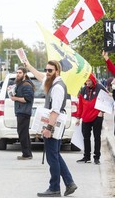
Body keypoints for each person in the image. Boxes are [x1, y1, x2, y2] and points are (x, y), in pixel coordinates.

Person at [24, 60, 77, 197]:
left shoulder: (58, 87)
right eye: (46, 69)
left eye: (50, 70)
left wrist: (48, 128)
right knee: (55, 155)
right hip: (54, 124)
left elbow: (55, 111)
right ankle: (70, 183)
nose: (47, 73)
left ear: (57, 71)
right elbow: (40, 76)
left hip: (54, 125)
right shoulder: (51, 82)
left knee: (52, 157)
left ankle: (54, 188)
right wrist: (29, 66)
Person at [75, 73, 107, 165]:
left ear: (93, 80)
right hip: (85, 117)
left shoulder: (100, 88)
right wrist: (78, 117)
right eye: (86, 81)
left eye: (89, 81)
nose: (87, 83)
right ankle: (86, 156)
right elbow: (80, 105)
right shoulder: (83, 90)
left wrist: (102, 111)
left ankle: (97, 157)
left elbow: (107, 100)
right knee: (86, 137)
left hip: (97, 116)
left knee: (97, 137)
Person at [10, 66, 35, 160]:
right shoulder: (20, 84)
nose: (18, 74)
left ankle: (27, 154)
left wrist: (15, 98)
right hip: (21, 111)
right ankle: (27, 153)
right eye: (17, 72)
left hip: (24, 112)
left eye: (20, 72)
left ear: (24, 74)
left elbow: (27, 99)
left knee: (22, 133)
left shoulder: (26, 85)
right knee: (24, 133)